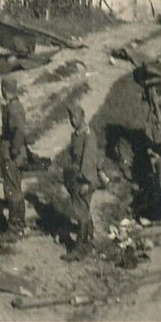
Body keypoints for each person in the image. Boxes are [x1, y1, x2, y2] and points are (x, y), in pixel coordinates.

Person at [62, 103, 107, 260]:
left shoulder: (88, 135)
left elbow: (88, 159)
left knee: (81, 211)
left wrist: (86, 182)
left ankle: (80, 248)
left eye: (75, 117)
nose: (72, 120)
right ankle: (89, 240)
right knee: (84, 209)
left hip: (84, 179)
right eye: (70, 117)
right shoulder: (76, 134)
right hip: (76, 177)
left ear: (83, 117)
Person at [0, 78, 28, 239]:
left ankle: (14, 229)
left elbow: (19, 132)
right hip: (12, 153)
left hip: (12, 155)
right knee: (16, 189)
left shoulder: (14, 108)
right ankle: (19, 225)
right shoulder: (15, 106)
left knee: (12, 191)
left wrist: (13, 151)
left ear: (3, 90)